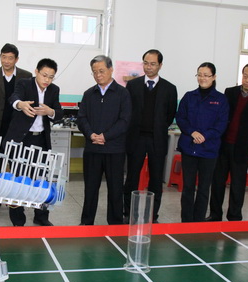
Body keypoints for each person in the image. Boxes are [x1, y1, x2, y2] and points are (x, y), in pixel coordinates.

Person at [207, 63, 248, 222]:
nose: (247, 80)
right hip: (223, 145)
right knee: (217, 182)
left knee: (237, 184)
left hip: (242, 147)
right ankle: (215, 215)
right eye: (245, 76)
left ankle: (234, 217)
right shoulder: (230, 92)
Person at [4, 58, 63, 226]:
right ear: (36, 71)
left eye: (51, 77)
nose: (47, 80)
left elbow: (59, 113)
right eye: (44, 75)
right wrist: (20, 104)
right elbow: (13, 98)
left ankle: (41, 216)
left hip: (41, 140)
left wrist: (50, 111)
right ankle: (18, 219)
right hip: (22, 139)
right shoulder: (24, 84)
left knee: (42, 179)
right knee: (20, 179)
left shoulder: (54, 90)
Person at [123, 49, 177, 223]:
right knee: (131, 178)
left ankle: (152, 216)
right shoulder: (133, 85)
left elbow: (170, 115)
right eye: (146, 63)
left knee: (155, 180)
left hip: (157, 140)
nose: (148, 67)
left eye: (153, 64)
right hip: (136, 138)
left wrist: (158, 127)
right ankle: (128, 213)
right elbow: (127, 111)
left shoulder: (169, 88)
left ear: (160, 65)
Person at [77, 55, 131, 225]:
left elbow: (125, 121)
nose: (98, 75)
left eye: (101, 71)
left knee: (115, 189)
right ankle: (86, 222)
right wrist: (91, 134)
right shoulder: (88, 94)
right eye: (94, 72)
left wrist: (106, 136)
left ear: (111, 69)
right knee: (90, 188)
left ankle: (115, 223)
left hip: (114, 150)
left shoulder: (123, 94)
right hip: (93, 149)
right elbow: (81, 118)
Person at [176, 62, 228, 223]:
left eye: (206, 75)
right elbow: (181, 118)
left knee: (204, 189)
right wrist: (192, 132)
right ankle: (186, 221)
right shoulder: (189, 96)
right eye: (199, 74)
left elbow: (221, 124)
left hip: (209, 150)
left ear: (214, 77)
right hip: (189, 148)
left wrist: (205, 135)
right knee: (188, 188)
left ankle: (198, 222)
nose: (202, 78)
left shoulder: (221, 99)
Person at [0, 43, 32, 140]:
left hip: (18, 123)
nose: (6, 61)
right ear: (0, 56)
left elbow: (28, 98)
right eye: (4, 57)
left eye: (10, 58)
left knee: (16, 149)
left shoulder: (26, 76)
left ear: (16, 59)